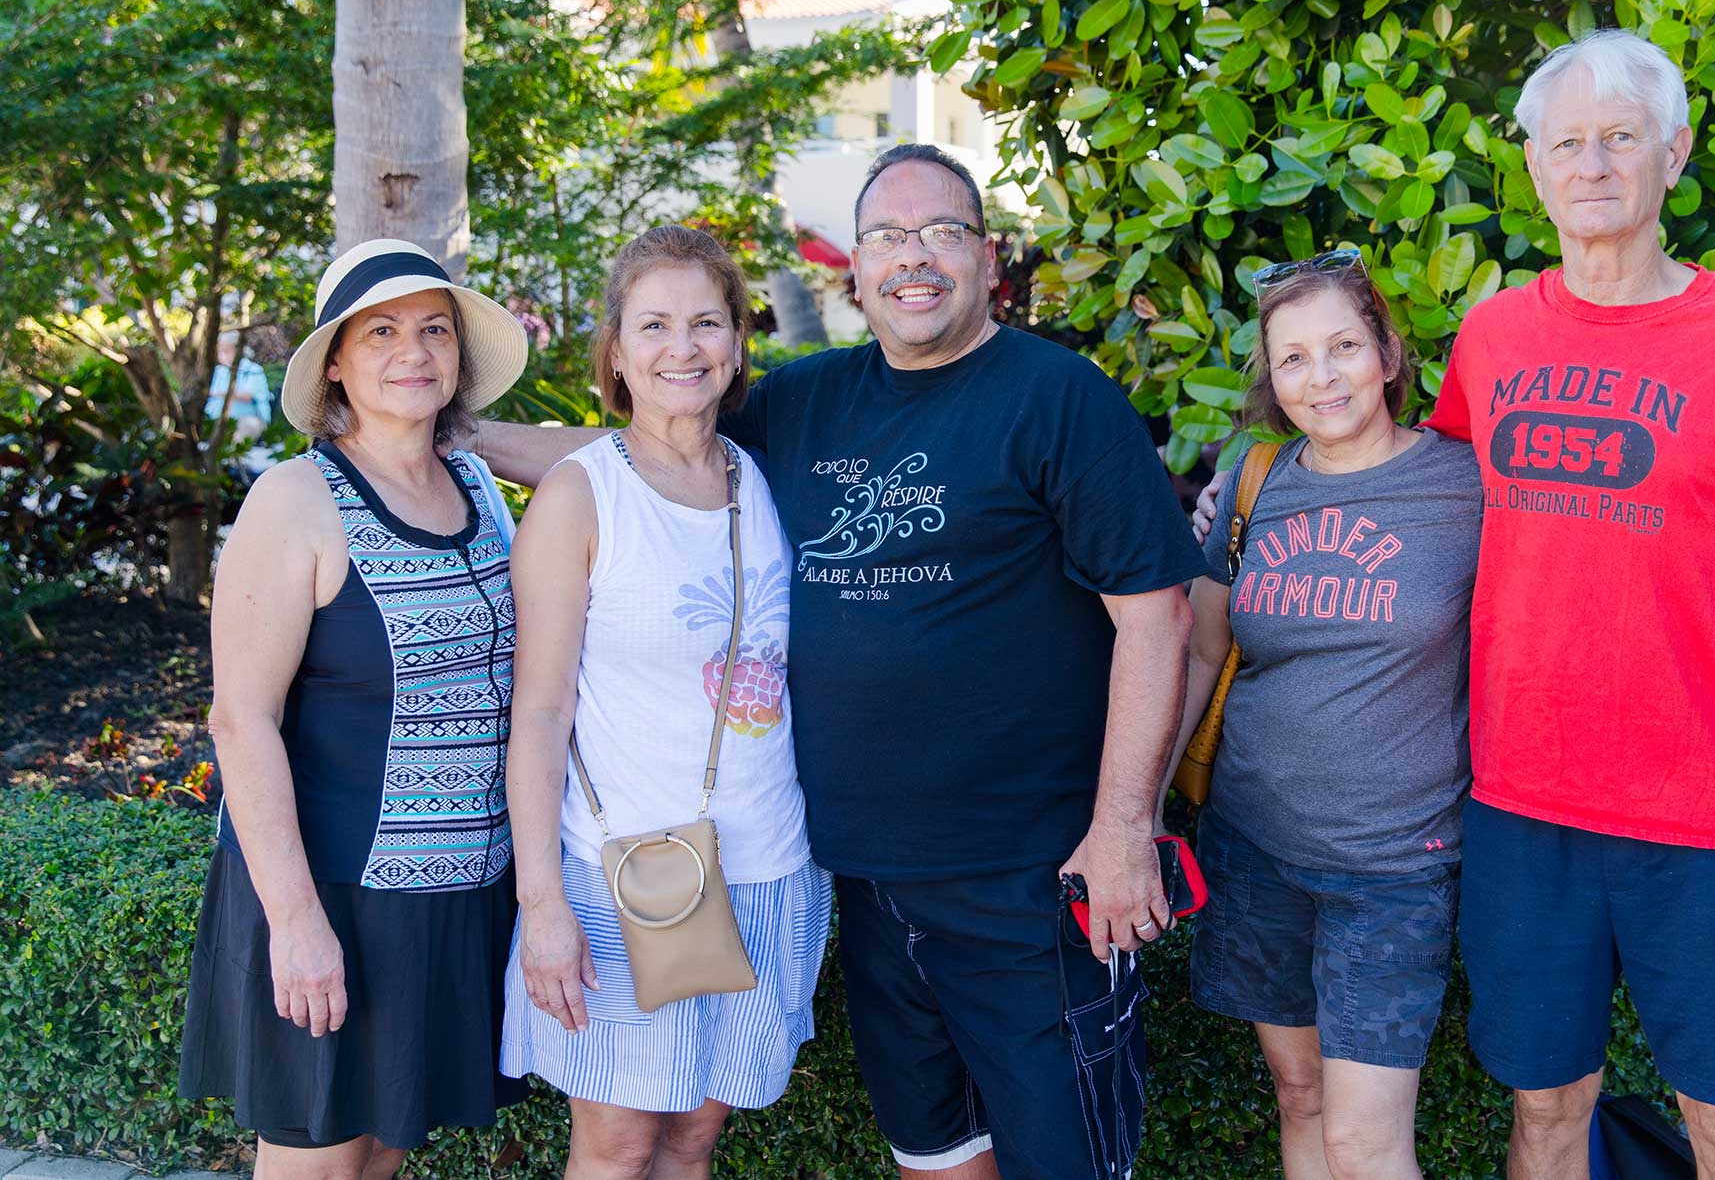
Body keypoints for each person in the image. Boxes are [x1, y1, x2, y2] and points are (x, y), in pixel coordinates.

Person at [477, 147, 1206, 1180]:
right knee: (935, 1151)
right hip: (861, 879)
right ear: (851, 272)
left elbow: (1157, 621)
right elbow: (646, 452)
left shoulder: (1058, 399)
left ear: (985, 256)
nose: (913, 259)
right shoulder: (806, 404)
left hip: (1025, 879)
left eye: (941, 231)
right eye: (886, 238)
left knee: (1065, 1159)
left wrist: (1125, 827)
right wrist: (438, 434)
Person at [1179, 253, 1715, 1180]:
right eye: (1294, 358)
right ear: (1271, 377)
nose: (1322, 377)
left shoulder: (1467, 479)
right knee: (1301, 1095)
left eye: (1345, 346)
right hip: (1256, 848)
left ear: (1391, 353)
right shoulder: (1252, 482)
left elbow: (1612, 556)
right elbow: (1201, 647)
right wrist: (1143, 804)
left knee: (1362, 1137)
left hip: (1395, 864)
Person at [1431, 30, 1715, 1179]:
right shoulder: (1489, 338)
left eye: (1619, 138)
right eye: (1565, 142)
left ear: (1672, 155)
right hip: (1524, 807)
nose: (1591, 164)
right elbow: (1432, 527)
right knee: (1544, 1111)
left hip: (1713, 812)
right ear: (1532, 166)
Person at [179, 239, 533, 1178]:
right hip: (333, 892)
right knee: (320, 1162)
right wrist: (294, 921)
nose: (412, 351)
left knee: (378, 1154)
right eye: (381, 331)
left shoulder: (479, 487)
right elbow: (238, 719)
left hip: (456, 889)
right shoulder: (295, 499)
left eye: (433, 330)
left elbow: (655, 445)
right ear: (336, 358)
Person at [497, 226, 830, 1179]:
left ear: (735, 346)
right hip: (626, 876)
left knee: (691, 1140)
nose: (681, 347)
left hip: (770, 869)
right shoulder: (580, 496)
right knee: (617, 1144)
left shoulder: (764, 479)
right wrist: (543, 901)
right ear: (615, 352)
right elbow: (541, 711)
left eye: (705, 322)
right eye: (653, 324)